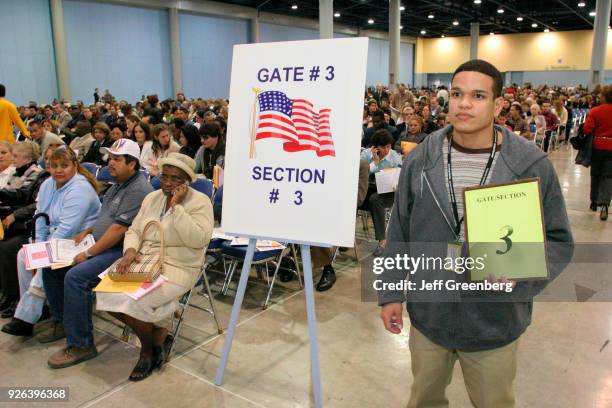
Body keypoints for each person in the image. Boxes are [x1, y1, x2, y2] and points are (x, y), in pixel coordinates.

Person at [378, 59, 573, 408]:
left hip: (493, 322)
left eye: (478, 95)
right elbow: (399, 231)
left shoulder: (529, 165)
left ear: (498, 105)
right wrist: (391, 290)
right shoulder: (420, 159)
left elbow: (558, 241)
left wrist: (519, 277)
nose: (464, 103)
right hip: (429, 314)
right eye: (457, 93)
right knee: (424, 398)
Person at [97, 152, 213, 381]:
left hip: (178, 266)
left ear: (187, 181)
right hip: (144, 261)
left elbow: (198, 240)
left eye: (175, 179)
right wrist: (130, 250)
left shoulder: (200, 202)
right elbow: (135, 230)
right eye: (164, 176)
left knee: (133, 301)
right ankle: (156, 333)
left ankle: (147, 350)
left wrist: (177, 208)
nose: (167, 183)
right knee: (105, 294)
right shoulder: (152, 198)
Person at [44, 139, 153, 368]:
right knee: (51, 265)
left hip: (122, 251)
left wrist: (89, 253)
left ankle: (82, 344)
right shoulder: (117, 184)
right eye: (109, 157)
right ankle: (64, 320)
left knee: (76, 277)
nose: (109, 163)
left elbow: (118, 230)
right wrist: (87, 231)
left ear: (132, 164)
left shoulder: (138, 190)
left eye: (116, 159)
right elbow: (106, 218)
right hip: (99, 242)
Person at [2, 147, 101, 337]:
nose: (58, 170)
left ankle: (26, 316)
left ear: (75, 166)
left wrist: (43, 251)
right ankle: (34, 309)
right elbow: (40, 215)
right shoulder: (48, 184)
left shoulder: (81, 188)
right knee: (25, 255)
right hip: (53, 238)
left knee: (44, 260)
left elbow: (68, 229)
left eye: (64, 166)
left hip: (78, 240)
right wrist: (38, 243)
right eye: (54, 166)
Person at [0, 145, 54, 318]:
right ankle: (9, 293)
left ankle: (15, 296)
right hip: (29, 223)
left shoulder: (40, 176)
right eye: (47, 159)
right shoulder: (23, 173)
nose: (50, 163)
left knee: (8, 248)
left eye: (15, 155)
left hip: (32, 226)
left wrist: (15, 214)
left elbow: (32, 203)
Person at [360, 129, 402, 256]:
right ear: (375, 148)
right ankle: (345, 237)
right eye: (383, 147)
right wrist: (375, 162)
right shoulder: (366, 155)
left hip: (387, 193)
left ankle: (382, 241)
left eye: (389, 146)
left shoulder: (395, 157)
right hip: (367, 190)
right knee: (352, 198)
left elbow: (399, 179)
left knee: (375, 200)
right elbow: (359, 173)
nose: (387, 150)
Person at [583, 84, 612, 221]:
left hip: (597, 147)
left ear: (604, 97)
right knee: (608, 177)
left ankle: (593, 202)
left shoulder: (595, 111)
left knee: (595, 174)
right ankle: (605, 205)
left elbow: (587, 129)